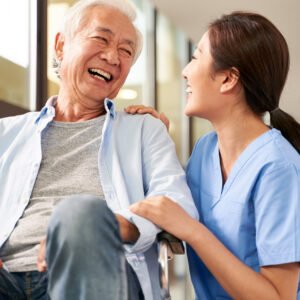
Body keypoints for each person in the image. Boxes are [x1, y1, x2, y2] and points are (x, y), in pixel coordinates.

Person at [0, 0, 198, 299]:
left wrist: (120, 225)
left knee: (79, 213)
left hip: (98, 274)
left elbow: (178, 203)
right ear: (61, 45)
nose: (111, 56)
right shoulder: (7, 133)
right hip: (7, 277)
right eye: (101, 39)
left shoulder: (144, 129)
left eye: (126, 51)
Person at [127, 11, 300, 299]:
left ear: (228, 79)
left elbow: (278, 296)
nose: (185, 70)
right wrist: (153, 145)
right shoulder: (205, 151)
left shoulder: (278, 167)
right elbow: (168, 206)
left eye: (196, 57)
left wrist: (193, 232)